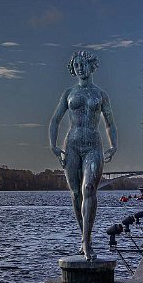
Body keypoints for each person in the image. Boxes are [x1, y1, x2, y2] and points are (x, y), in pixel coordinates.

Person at [49, 51, 118, 259]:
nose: (79, 68)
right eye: (76, 65)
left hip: (93, 146)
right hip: (72, 146)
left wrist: (113, 145)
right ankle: (83, 238)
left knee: (88, 188)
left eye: (82, 64)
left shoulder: (100, 94)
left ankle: (87, 243)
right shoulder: (69, 93)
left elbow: (110, 123)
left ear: (91, 66)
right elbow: (55, 120)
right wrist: (53, 145)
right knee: (76, 194)